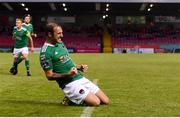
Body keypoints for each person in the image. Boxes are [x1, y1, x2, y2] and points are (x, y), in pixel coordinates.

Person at [39, 22, 109, 106]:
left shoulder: (60, 42)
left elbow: (67, 61)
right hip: (69, 83)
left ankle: (78, 97)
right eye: (58, 33)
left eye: (62, 33)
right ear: (50, 34)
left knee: (105, 100)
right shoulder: (45, 53)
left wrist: (79, 67)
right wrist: (68, 74)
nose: (62, 35)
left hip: (78, 77)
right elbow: (49, 76)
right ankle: (69, 100)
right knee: (96, 102)